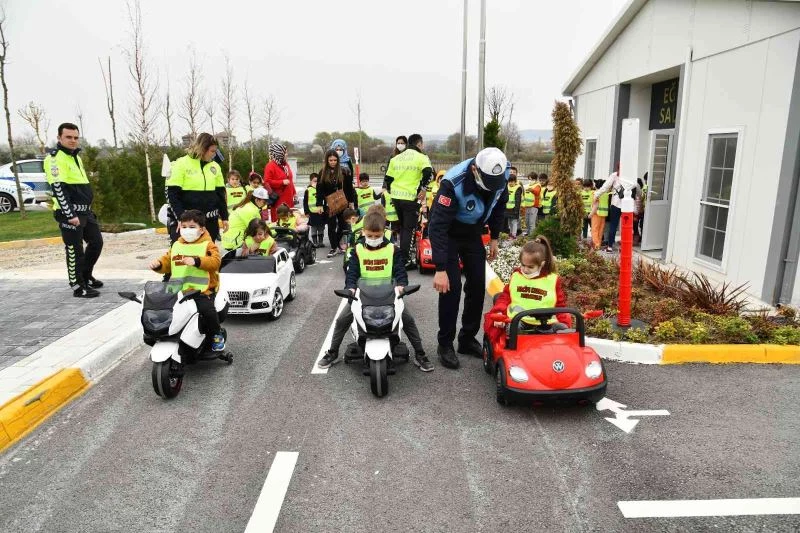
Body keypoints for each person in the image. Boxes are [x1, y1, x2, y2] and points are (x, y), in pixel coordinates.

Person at [317, 210, 433, 372]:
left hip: (389, 295)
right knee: (342, 320)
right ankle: (332, 352)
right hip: (362, 295)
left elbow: (400, 271)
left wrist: (401, 285)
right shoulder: (357, 249)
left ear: (383, 231)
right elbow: (352, 273)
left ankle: (420, 354)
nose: (373, 238)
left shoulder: (392, 249)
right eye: (370, 235)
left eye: (377, 235)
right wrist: (350, 288)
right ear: (363, 232)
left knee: (408, 320)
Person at [429, 147, 509, 369]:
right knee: (451, 287)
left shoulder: (501, 175)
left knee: (477, 284)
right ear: (475, 170)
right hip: (449, 231)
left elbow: (500, 205)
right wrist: (440, 268)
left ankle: (466, 338)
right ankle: (445, 344)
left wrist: (494, 237)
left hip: (472, 231)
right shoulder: (452, 184)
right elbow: (437, 227)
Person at [150, 209, 225, 351]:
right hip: (177, 288)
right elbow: (167, 261)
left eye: (192, 227)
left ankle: (216, 335)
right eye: (184, 227)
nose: (187, 230)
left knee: (208, 311)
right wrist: (158, 264)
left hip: (201, 290)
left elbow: (215, 262)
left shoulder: (208, 245)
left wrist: (197, 261)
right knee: (162, 308)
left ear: (201, 229)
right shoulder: (176, 245)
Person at [44, 122, 104, 297]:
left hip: (85, 212)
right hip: (69, 214)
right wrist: (70, 214)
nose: (73, 140)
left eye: (76, 137)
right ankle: (78, 286)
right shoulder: (54, 159)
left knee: (96, 243)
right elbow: (59, 189)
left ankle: (85, 276)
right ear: (59, 138)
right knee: (74, 249)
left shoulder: (75, 157)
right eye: (68, 137)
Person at [483, 236, 572, 345]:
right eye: (523, 265)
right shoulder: (516, 276)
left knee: (563, 330)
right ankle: (514, 350)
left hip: (546, 323)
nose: (525, 269)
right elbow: (504, 297)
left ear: (542, 264)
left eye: (530, 267)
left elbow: (560, 305)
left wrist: (564, 322)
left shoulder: (552, 280)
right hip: (519, 321)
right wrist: (499, 312)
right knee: (514, 328)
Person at [167, 133, 229, 242]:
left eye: (216, 151)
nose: (214, 154)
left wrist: (224, 217)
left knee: (207, 252)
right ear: (202, 149)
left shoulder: (215, 166)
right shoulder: (181, 164)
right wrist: (180, 218)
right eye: (212, 151)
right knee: (182, 251)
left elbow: (220, 195)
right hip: (187, 222)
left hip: (210, 222)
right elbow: (172, 195)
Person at [384, 133, 433, 268]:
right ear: (419, 144)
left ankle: (402, 256)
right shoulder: (422, 157)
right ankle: (405, 260)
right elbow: (429, 172)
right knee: (409, 229)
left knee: (403, 227)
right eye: (422, 145)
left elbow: (388, 178)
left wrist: (392, 191)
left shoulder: (396, 158)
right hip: (411, 197)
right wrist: (423, 188)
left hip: (396, 197)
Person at [317, 149, 348, 257]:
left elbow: (348, 188)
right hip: (329, 203)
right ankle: (334, 247)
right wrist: (319, 204)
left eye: (335, 160)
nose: (333, 162)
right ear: (327, 160)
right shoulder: (322, 172)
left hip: (341, 201)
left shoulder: (343, 171)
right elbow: (319, 189)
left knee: (343, 225)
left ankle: (337, 244)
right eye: (331, 160)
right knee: (331, 226)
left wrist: (351, 201)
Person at [221, 187, 271, 252]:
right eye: (264, 202)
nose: (265, 204)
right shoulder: (250, 210)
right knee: (265, 241)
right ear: (256, 200)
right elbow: (257, 229)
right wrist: (273, 231)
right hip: (235, 243)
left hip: (230, 241)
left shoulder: (249, 206)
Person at [595, 163, 624, 253]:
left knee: (613, 225)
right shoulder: (630, 176)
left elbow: (605, 187)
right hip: (628, 205)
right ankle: (624, 247)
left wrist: (596, 194)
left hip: (616, 204)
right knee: (626, 227)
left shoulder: (614, 175)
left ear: (617, 168)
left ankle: (610, 247)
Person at [264, 143, 296, 222]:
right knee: (279, 220)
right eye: (285, 153)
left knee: (289, 220)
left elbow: (290, 180)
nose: (287, 154)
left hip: (289, 198)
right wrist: (281, 182)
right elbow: (267, 182)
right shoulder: (270, 166)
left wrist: (294, 193)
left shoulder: (285, 165)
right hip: (278, 199)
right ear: (278, 153)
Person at [330, 139, 356, 207]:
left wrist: (351, 200)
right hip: (333, 193)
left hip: (345, 190)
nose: (338, 151)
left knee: (345, 211)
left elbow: (351, 176)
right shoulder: (330, 161)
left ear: (344, 150)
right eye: (336, 149)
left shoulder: (348, 160)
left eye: (340, 149)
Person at [303, 173, 326, 248]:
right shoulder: (308, 190)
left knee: (321, 227)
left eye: (318, 181)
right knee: (314, 227)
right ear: (310, 181)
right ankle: (315, 242)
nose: (316, 183)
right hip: (312, 213)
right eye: (315, 181)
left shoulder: (322, 189)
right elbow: (305, 202)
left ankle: (321, 242)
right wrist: (306, 212)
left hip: (321, 212)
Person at [590, 180, 610, 250]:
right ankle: (599, 243)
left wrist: (590, 214)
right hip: (604, 214)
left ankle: (596, 245)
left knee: (595, 229)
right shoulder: (606, 194)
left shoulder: (595, 193)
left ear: (595, 186)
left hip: (596, 213)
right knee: (601, 230)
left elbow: (595, 205)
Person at [504, 169, 522, 238]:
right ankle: (511, 233)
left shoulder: (518, 188)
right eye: (509, 181)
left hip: (514, 209)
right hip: (507, 208)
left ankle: (514, 235)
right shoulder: (507, 187)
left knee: (514, 222)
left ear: (515, 181)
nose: (510, 183)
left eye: (512, 182)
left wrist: (516, 210)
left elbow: (518, 200)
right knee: (509, 222)